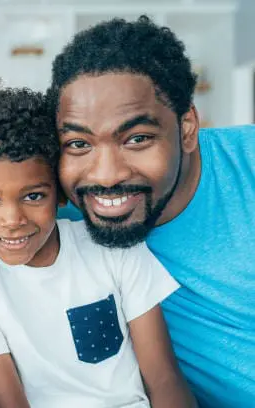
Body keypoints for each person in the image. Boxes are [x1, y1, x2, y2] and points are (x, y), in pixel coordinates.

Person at [0, 88, 196, 408]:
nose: (12, 220)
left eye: (33, 196)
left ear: (60, 192)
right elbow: (7, 401)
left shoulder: (112, 246)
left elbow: (164, 378)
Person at [50, 16, 255, 407]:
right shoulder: (50, 223)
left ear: (187, 127)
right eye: (78, 144)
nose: (106, 176)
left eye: (137, 139)